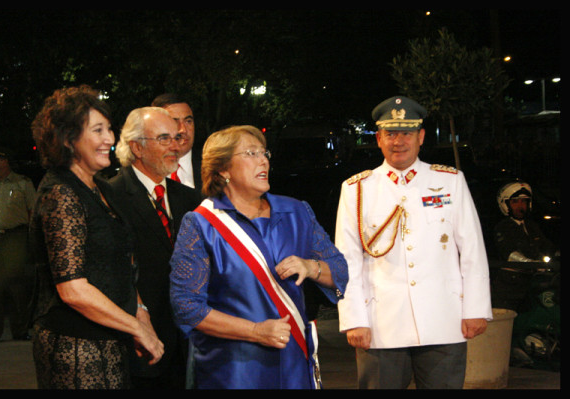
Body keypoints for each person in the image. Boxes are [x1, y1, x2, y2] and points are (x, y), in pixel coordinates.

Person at [169, 125, 349, 389]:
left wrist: (311, 267)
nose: (263, 160)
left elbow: (340, 271)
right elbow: (187, 307)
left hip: (293, 360)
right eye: (251, 153)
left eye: (264, 153)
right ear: (223, 169)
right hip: (233, 369)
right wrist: (255, 331)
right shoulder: (201, 224)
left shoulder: (297, 211)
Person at [335, 96, 492, 389]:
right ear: (378, 139)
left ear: (420, 137)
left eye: (406, 133)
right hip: (381, 324)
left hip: (443, 320)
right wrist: (354, 317)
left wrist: (476, 308)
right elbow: (348, 259)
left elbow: (471, 248)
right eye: (390, 133)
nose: (398, 141)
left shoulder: (450, 181)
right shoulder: (356, 189)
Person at [29, 85, 164, 389]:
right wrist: (135, 327)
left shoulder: (101, 188)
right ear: (68, 139)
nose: (110, 139)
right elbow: (73, 290)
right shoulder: (60, 193)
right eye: (98, 130)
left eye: (110, 129)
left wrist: (141, 313)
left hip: (110, 338)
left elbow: (122, 263)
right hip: (73, 345)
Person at [109, 107, 202, 389]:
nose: (176, 145)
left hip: (188, 345)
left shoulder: (188, 198)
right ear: (137, 147)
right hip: (140, 347)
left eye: (176, 137)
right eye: (164, 138)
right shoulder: (111, 196)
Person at [0, 146, 36, 344]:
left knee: (17, 286)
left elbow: (32, 211)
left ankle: (20, 330)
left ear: (4, 161)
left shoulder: (23, 183)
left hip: (15, 236)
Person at [494, 181, 557, 262]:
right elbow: (509, 252)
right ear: (506, 205)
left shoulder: (531, 226)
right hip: (514, 272)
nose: (520, 206)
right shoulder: (503, 227)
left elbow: (547, 246)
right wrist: (528, 262)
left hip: (536, 271)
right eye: (515, 202)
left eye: (523, 201)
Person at [151, 93, 202, 192]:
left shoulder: (215, 168)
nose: (183, 130)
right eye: (174, 121)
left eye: (188, 121)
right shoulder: (145, 169)